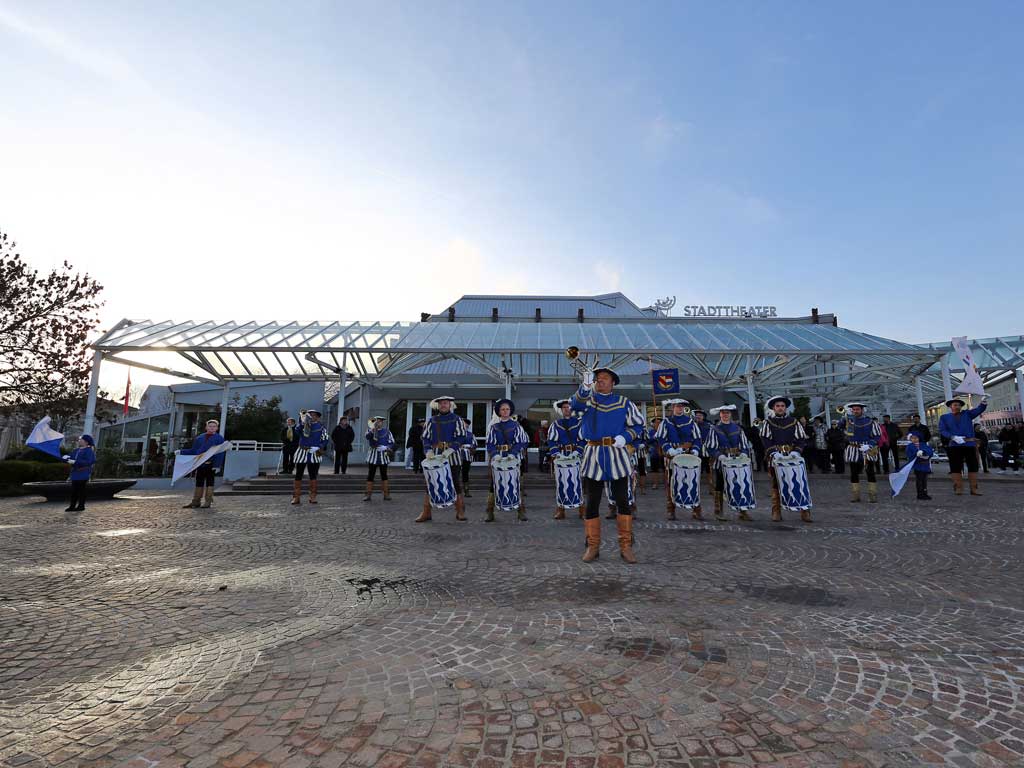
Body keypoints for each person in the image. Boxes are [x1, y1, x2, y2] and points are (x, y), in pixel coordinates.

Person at [572, 365, 645, 563]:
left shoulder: (624, 402)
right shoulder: (588, 399)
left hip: (616, 452)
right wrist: (585, 386)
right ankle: (593, 546)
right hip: (593, 453)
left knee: (622, 499)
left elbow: (638, 425)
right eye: (597, 378)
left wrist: (625, 436)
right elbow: (576, 406)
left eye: (604, 378)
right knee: (592, 501)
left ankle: (626, 546)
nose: (600, 380)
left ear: (613, 382)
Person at [416, 396, 469, 522]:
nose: (443, 405)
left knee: (455, 483)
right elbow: (425, 438)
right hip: (435, 456)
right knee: (430, 483)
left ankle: (460, 511)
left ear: (450, 405)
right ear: (438, 406)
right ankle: (426, 512)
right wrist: (428, 451)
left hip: (453, 456)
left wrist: (452, 449)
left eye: (445, 403)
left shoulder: (457, 419)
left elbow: (462, 437)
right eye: (441, 404)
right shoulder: (431, 420)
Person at [760, 397, 811, 522]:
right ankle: (776, 511)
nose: (780, 408)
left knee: (799, 482)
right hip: (776, 457)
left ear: (785, 408)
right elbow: (765, 439)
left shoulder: (794, 421)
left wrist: (797, 451)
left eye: (782, 406)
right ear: (773, 408)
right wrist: (773, 452)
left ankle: (805, 511)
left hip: (792, 456)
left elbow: (801, 439)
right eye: (777, 406)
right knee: (776, 484)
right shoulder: (768, 422)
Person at [656, 399, 704, 521]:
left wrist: (696, 450)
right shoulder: (666, 422)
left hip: (689, 455)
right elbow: (661, 438)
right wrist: (669, 449)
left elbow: (697, 439)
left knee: (692, 481)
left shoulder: (690, 422)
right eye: (677, 406)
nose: (679, 408)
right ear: (672, 407)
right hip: (673, 456)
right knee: (671, 482)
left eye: (681, 407)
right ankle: (671, 510)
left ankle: (696, 508)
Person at [485, 399, 530, 522]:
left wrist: (513, 453)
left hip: (513, 459)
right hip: (498, 459)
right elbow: (489, 443)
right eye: (502, 409)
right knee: (493, 485)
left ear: (510, 411)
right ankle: (489, 511)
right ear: (499, 412)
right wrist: (495, 454)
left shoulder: (516, 426)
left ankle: (521, 511)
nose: (505, 411)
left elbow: (522, 441)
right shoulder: (494, 427)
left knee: (517, 484)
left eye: (507, 409)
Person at [707, 405, 753, 521]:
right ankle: (718, 511)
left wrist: (743, 453)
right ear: (720, 414)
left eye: (727, 413)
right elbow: (711, 447)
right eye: (723, 413)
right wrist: (719, 456)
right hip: (722, 461)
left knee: (740, 485)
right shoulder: (714, 429)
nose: (725, 415)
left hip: (738, 462)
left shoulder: (738, 428)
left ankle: (743, 511)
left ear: (730, 414)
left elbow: (744, 444)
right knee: (720, 486)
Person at [938, 396, 988, 495]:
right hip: (955, 445)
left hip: (969, 444)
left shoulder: (967, 414)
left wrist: (983, 403)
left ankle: (974, 489)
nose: (957, 406)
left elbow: (978, 410)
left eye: (959, 405)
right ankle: (958, 488)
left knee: (973, 466)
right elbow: (942, 430)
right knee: (955, 467)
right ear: (950, 406)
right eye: (955, 405)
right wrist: (952, 437)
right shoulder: (944, 417)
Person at [548, 399, 582, 519]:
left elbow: (583, 440)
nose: (566, 409)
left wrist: (578, 451)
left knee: (577, 483)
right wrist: (557, 453)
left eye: (568, 407)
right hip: (561, 455)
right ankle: (560, 509)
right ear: (561, 410)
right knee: (561, 483)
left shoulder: (578, 423)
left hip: (575, 455)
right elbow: (551, 441)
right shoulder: (556, 424)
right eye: (564, 408)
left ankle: (581, 509)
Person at [180, 419, 226, 509]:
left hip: (211, 464)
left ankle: (208, 501)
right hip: (200, 463)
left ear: (217, 428)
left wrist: (217, 465)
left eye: (214, 426)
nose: (212, 428)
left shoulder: (219, 438)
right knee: (199, 482)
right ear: (206, 427)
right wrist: (181, 452)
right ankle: (196, 501)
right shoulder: (199, 438)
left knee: (210, 482)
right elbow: (194, 451)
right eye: (210, 426)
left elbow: (220, 452)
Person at [840, 403, 881, 503]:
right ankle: (855, 495)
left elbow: (877, 436)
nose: (855, 411)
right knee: (853, 472)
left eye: (857, 409)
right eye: (853, 410)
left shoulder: (870, 421)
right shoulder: (849, 420)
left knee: (870, 472)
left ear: (862, 410)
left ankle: (872, 495)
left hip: (867, 448)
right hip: (853, 448)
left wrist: (870, 445)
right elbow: (840, 426)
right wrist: (844, 416)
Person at [292, 409, 328, 505]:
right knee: (298, 475)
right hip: (302, 451)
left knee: (313, 475)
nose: (312, 416)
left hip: (315, 452)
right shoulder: (302, 425)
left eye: (314, 415)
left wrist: (319, 447)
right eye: (310, 415)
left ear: (317, 417)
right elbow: (296, 432)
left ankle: (313, 496)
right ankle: (296, 497)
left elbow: (325, 439)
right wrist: (302, 422)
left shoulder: (321, 427)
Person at [62, 434, 96, 512]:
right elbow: (71, 457)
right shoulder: (76, 450)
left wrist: (75, 461)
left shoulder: (89, 451)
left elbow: (89, 461)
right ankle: (72, 506)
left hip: (83, 472)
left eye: (81, 440)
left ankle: (81, 506)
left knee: (81, 490)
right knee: (74, 491)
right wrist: (66, 457)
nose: (79, 441)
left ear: (86, 442)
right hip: (75, 473)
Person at [363, 416, 394, 501]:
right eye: (377, 421)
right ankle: (368, 494)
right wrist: (373, 429)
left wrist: (386, 447)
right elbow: (367, 437)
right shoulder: (370, 430)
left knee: (384, 475)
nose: (378, 423)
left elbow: (392, 442)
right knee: (370, 475)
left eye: (380, 421)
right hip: (373, 455)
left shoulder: (387, 431)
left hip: (383, 455)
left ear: (382, 422)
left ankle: (386, 494)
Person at [906, 431, 934, 500]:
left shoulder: (923, 444)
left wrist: (924, 452)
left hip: (925, 466)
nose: (914, 439)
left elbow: (930, 451)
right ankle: (920, 494)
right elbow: (910, 456)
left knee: (924, 481)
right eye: (912, 438)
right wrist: (917, 454)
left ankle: (924, 493)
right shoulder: (910, 446)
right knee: (919, 480)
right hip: (918, 466)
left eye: (916, 438)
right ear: (910, 439)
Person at [693, 408, 713, 487]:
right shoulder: (692, 425)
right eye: (697, 415)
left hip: (706, 449)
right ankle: (696, 485)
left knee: (709, 468)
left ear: (703, 417)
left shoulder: (709, 425)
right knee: (697, 468)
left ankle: (711, 485)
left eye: (700, 415)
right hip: (695, 449)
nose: (698, 416)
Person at [647, 417, 664, 489]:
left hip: (664, 452)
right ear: (653, 424)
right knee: (654, 469)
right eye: (656, 422)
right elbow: (648, 441)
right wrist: (654, 437)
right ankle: (655, 483)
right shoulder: (651, 432)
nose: (658, 424)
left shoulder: (664, 431)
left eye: (659, 422)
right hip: (654, 453)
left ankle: (666, 483)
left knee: (665, 468)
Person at [460, 418, 475, 496]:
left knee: (465, 473)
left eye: (465, 424)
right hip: (457, 456)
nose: (464, 425)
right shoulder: (456, 434)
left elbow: (474, 444)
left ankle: (466, 491)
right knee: (455, 473)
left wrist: (467, 446)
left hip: (467, 456)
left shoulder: (470, 435)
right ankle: (455, 491)